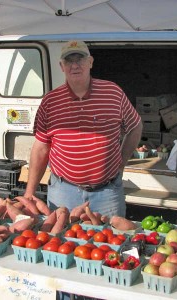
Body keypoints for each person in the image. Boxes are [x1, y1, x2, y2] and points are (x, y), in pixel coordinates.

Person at [24, 40, 142, 218]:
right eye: (69, 60)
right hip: (63, 192)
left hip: (107, 192)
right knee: (61, 242)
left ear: (91, 62)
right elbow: (41, 148)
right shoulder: (50, 101)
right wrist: (29, 194)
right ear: (61, 66)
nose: (75, 65)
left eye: (80, 59)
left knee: (109, 243)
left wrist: (121, 163)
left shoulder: (112, 93)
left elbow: (135, 126)